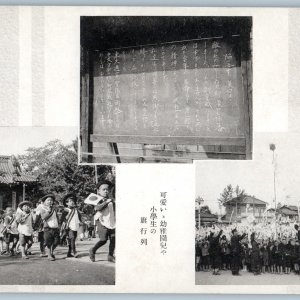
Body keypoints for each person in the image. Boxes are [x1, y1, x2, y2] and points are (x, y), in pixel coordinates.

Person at [89, 180, 115, 263]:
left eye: (107, 189)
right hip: (101, 221)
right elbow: (97, 208)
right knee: (103, 240)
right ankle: (92, 250)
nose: (106, 191)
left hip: (111, 221)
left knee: (114, 238)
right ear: (98, 191)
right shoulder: (96, 198)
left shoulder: (110, 199)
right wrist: (106, 202)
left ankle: (110, 256)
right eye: (103, 189)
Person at [60, 193, 82, 258]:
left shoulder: (76, 210)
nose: (72, 202)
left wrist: (81, 222)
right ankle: (74, 252)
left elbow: (79, 217)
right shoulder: (65, 210)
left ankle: (69, 253)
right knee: (72, 239)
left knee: (72, 240)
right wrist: (63, 226)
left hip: (75, 226)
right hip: (69, 227)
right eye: (70, 201)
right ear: (66, 203)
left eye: (73, 201)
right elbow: (61, 219)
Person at [39, 194, 60, 261]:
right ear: (44, 202)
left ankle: (50, 252)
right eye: (48, 200)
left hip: (55, 227)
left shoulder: (54, 209)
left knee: (56, 242)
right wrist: (48, 211)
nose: (50, 201)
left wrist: (59, 225)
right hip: (47, 228)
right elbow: (43, 217)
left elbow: (57, 217)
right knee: (49, 242)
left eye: (51, 200)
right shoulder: (43, 209)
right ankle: (49, 255)